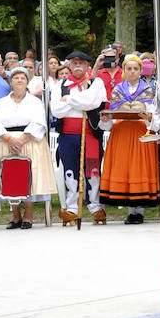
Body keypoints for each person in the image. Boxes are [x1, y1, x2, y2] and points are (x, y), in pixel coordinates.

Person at [0, 66, 55, 229]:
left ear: (27, 81)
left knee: (30, 177)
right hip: (6, 142)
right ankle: (15, 215)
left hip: (29, 142)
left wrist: (22, 140)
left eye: (22, 78)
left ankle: (28, 216)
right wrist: (9, 139)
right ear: (10, 82)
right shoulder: (2, 102)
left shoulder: (34, 102)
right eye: (15, 78)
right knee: (10, 178)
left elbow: (39, 122)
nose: (19, 80)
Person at [99, 54, 160, 224]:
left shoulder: (149, 90)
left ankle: (139, 211)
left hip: (141, 131)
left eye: (136, 68)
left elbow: (156, 117)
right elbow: (111, 118)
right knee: (125, 168)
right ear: (124, 70)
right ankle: (129, 210)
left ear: (141, 71)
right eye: (129, 68)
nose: (132, 71)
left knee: (139, 168)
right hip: (121, 132)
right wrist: (106, 120)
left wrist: (149, 117)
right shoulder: (118, 90)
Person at [50, 51, 108, 225]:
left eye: (81, 63)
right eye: (74, 63)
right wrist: (79, 101)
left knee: (92, 171)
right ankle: (72, 207)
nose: (78, 66)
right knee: (70, 170)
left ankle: (95, 206)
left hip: (90, 134)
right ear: (69, 65)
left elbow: (92, 102)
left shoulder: (95, 82)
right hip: (67, 135)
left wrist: (68, 99)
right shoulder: (60, 84)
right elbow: (56, 110)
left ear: (87, 66)